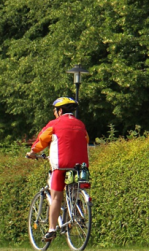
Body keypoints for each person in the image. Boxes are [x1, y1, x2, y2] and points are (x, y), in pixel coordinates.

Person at [26, 97, 89, 242]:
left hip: (61, 166)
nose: (55, 113)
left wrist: (32, 153)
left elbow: (41, 141)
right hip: (80, 167)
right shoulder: (81, 125)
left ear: (60, 110)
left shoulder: (54, 124)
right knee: (73, 189)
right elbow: (85, 140)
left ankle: (51, 229)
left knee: (55, 197)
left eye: (55, 111)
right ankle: (77, 211)